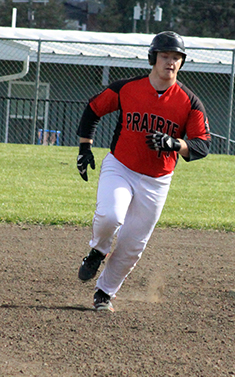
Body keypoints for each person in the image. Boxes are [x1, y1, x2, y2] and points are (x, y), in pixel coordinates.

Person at [76, 31, 211, 312]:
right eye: (165, 56)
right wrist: (84, 148)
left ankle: (104, 294)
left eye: (176, 58)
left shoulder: (189, 102)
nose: (170, 62)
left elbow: (203, 144)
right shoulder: (128, 88)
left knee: (133, 244)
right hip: (121, 167)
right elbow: (93, 109)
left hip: (157, 180)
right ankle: (98, 249)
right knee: (110, 216)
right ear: (153, 58)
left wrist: (175, 143)